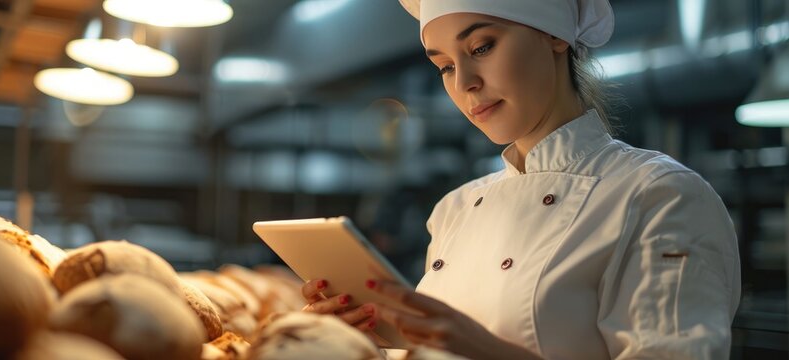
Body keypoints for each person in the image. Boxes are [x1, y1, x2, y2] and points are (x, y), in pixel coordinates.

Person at [301, 0, 742, 359]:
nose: (466, 84)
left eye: (480, 47)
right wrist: (363, 343)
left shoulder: (660, 196)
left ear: (555, 35)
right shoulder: (453, 211)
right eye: (445, 67)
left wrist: (487, 351)